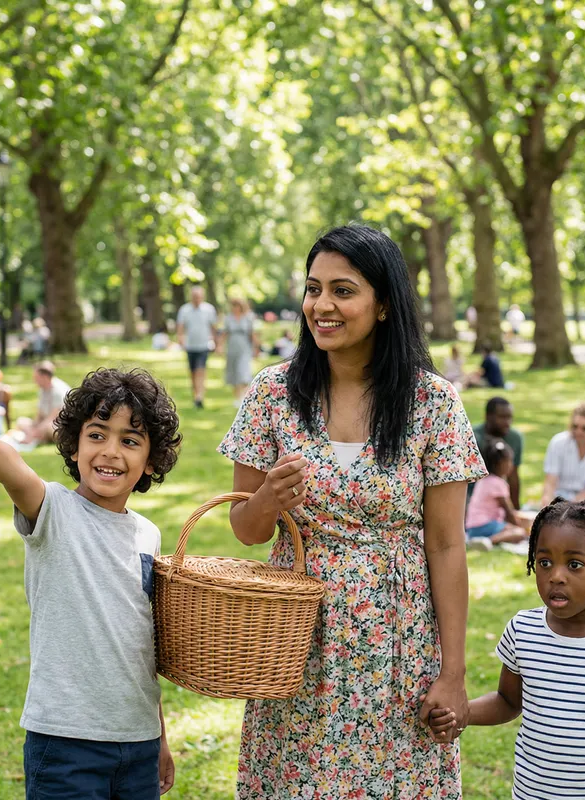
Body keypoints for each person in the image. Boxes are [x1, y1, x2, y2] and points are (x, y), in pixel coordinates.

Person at [218, 224, 487, 799]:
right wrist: (268, 498)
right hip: (294, 644)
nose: (322, 306)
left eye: (343, 291)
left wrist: (454, 675)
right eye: (314, 290)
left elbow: (445, 545)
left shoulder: (431, 403)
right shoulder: (271, 395)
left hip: (398, 643)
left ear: (384, 304)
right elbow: (245, 529)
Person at [0, 368, 181, 798]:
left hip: (137, 744)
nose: (110, 452)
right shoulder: (53, 511)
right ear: (74, 443)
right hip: (67, 745)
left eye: (129, 440)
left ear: (151, 460)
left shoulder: (148, 534)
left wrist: (158, 737)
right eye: (97, 434)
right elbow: (16, 473)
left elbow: (142, 646)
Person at [431, 497, 585, 800]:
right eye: (544, 562)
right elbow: (507, 700)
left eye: (574, 564)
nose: (556, 575)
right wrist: (462, 714)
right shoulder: (523, 631)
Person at [466, 440, 528, 550]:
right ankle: (489, 541)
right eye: (508, 462)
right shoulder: (498, 483)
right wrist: (518, 527)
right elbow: (508, 511)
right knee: (519, 533)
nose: (511, 465)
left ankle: (480, 540)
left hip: (472, 528)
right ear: (499, 464)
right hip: (484, 525)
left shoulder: (484, 480)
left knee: (511, 529)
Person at [473, 397, 523, 507]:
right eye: (502, 417)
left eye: (509, 417)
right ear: (488, 417)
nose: (507, 423)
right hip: (474, 499)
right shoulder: (473, 437)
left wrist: (516, 508)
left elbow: (513, 475)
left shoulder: (515, 438)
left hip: (501, 497)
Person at [176, 286, 217, 409]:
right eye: (194, 297)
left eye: (198, 297)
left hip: (204, 345)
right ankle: (196, 395)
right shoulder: (184, 310)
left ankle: (200, 396)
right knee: (193, 372)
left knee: (200, 370)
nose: (196, 299)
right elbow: (180, 326)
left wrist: (216, 342)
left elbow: (213, 326)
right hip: (190, 346)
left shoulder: (209, 309)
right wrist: (180, 339)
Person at [17, 361, 71, 445]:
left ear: (44, 377)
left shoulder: (58, 390)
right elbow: (40, 414)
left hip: (59, 424)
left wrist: (33, 433)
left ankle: (39, 437)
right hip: (45, 422)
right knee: (21, 422)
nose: (34, 380)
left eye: (36, 377)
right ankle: (39, 437)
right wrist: (34, 427)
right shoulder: (42, 390)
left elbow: (52, 418)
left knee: (49, 428)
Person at [222, 296, 258, 407]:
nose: (235, 308)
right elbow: (225, 333)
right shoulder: (228, 318)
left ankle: (244, 396)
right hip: (232, 348)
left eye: (237, 306)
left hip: (244, 348)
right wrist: (219, 346)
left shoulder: (247, 318)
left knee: (243, 372)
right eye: (233, 306)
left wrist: (256, 348)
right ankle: (237, 397)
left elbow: (252, 334)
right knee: (234, 373)